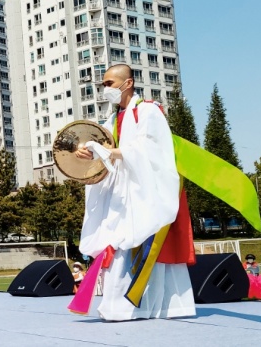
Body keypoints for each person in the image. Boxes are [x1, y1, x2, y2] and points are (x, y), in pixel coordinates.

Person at [73, 64, 195, 321]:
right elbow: (103, 151)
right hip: (118, 194)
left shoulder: (148, 111)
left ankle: (158, 306)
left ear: (127, 83)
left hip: (143, 190)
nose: (105, 90)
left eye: (109, 84)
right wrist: (85, 151)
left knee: (142, 244)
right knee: (117, 245)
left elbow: (152, 147)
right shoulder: (110, 121)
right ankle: (120, 306)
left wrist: (111, 152)